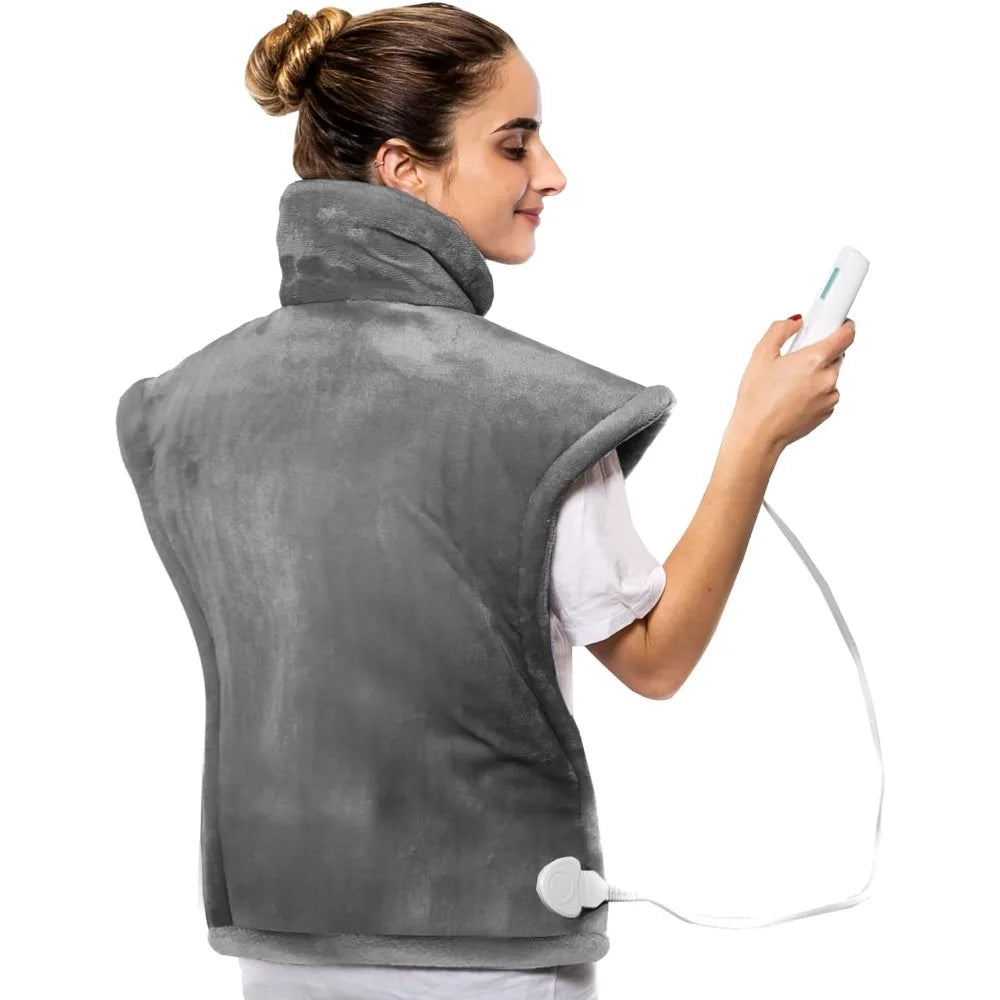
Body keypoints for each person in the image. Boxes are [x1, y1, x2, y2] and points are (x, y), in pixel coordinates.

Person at [121, 5, 853, 998]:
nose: (552, 174)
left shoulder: (181, 407)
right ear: (403, 169)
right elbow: (654, 656)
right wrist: (754, 439)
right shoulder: (535, 409)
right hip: (489, 949)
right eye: (515, 144)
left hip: (281, 939)